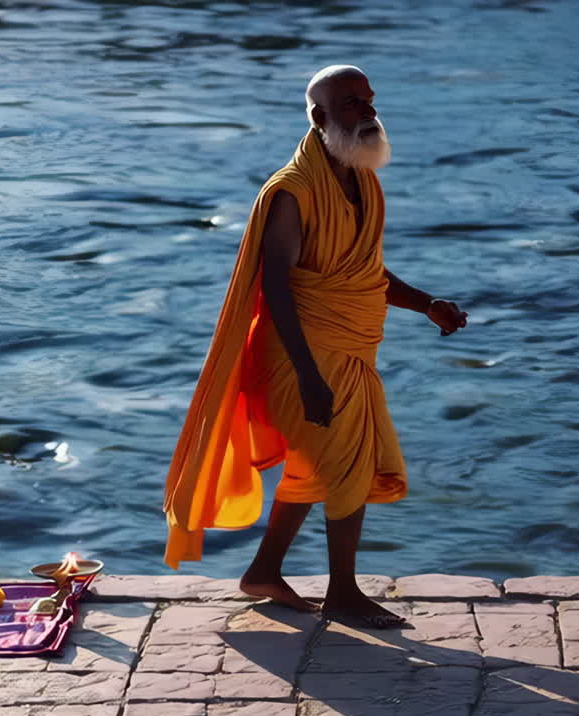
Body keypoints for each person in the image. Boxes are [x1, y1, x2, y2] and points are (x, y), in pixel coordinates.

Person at [163, 64, 468, 628]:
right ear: (320, 117)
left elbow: (364, 273)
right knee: (344, 466)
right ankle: (344, 593)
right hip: (297, 355)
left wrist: (426, 303)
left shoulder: (361, 179)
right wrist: (307, 375)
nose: (370, 112)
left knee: (320, 465)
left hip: (349, 351)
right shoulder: (292, 191)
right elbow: (275, 287)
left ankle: (263, 572)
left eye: (371, 100)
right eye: (353, 104)